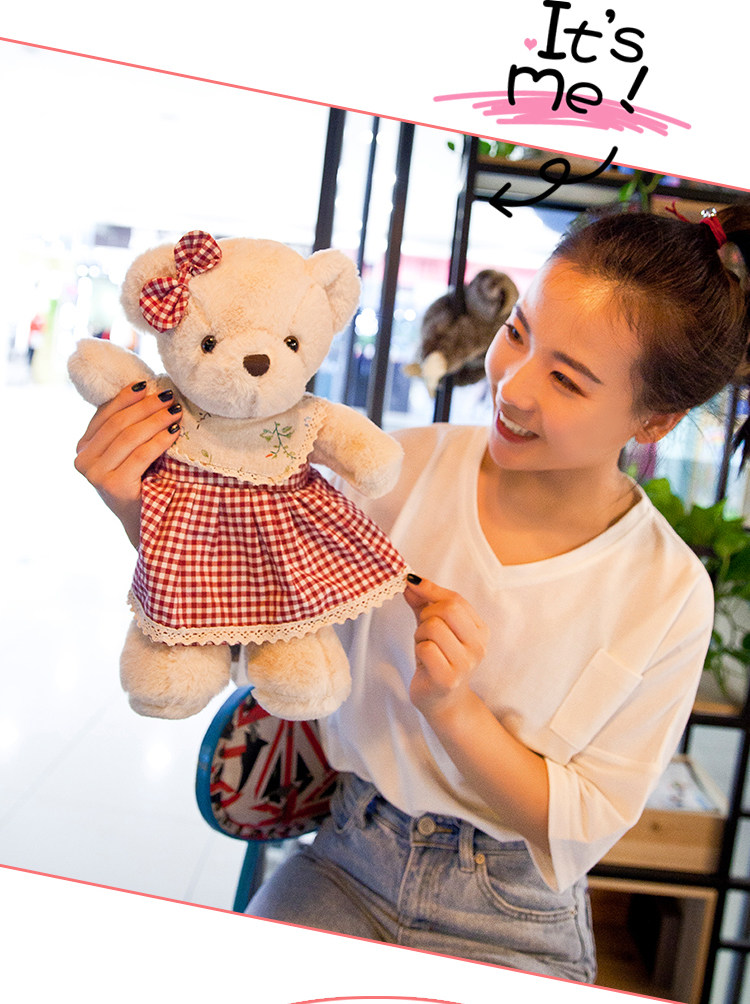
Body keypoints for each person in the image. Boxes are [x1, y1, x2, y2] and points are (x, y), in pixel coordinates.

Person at [74, 206, 750, 984]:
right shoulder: (396, 471)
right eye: (519, 332)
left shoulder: (666, 592)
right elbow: (250, 606)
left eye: (567, 379)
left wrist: (451, 708)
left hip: (514, 915)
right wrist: (136, 506)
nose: (513, 386)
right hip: (344, 856)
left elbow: (577, 826)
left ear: (655, 421)